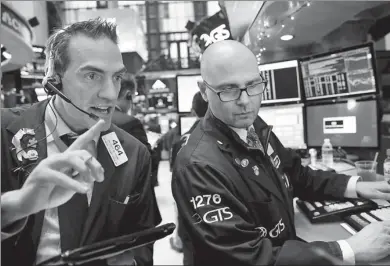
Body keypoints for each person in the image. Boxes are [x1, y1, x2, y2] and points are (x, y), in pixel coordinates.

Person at [171, 40, 390, 266]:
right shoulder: (197, 165)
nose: (245, 102)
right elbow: (246, 256)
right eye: (229, 89)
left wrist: (355, 186)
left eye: (253, 85)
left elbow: (296, 174)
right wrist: (347, 249)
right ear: (204, 91)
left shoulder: (252, 125)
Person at [1, 18, 161, 266]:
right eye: (92, 76)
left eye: (116, 77)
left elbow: (142, 241)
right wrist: (17, 206)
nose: (110, 94)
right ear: (54, 80)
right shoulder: (3, 131)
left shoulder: (134, 153)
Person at [169, 91, 208, 264]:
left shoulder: (180, 142)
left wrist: (178, 232)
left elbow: (178, 190)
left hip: (190, 220)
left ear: (193, 112)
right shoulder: (227, 138)